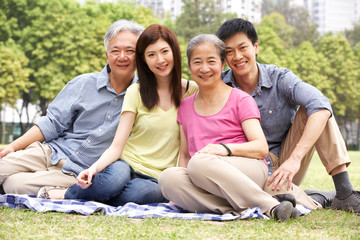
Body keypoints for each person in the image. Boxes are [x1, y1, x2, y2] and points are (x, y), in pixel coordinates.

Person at [159, 34, 322, 222]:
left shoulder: (240, 99)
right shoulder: (185, 107)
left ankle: (270, 207)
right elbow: (186, 156)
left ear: (222, 65)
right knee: (168, 178)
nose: (204, 68)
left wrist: (225, 149)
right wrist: (178, 193)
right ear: (189, 66)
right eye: (197, 62)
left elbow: (260, 148)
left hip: (248, 167)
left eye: (211, 61)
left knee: (199, 162)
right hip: (206, 178)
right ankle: (245, 206)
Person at [37, 24, 198, 206]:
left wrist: (178, 187)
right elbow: (117, 146)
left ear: (175, 52)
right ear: (143, 60)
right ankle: (67, 194)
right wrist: (94, 169)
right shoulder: (136, 91)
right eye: (151, 55)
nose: (160, 60)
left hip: (157, 175)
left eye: (164, 51)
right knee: (111, 182)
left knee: (141, 194)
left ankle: (80, 194)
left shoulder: (191, 92)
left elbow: (186, 150)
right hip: (126, 164)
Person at [216, 18, 359, 213]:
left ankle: (344, 192)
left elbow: (321, 104)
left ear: (256, 47)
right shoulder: (219, 85)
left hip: (285, 164)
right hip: (245, 166)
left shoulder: (279, 78)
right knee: (269, 199)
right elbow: (190, 90)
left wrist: (294, 159)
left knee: (318, 108)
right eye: (229, 52)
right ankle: (317, 196)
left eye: (242, 48)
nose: (237, 56)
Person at [0, 19, 144, 195]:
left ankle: (56, 191)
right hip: (49, 152)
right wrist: (13, 147)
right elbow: (52, 122)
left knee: (13, 185)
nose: (122, 57)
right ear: (107, 56)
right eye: (115, 51)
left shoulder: (144, 96)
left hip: (76, 172)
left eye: (130, 51)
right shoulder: (82, 83)